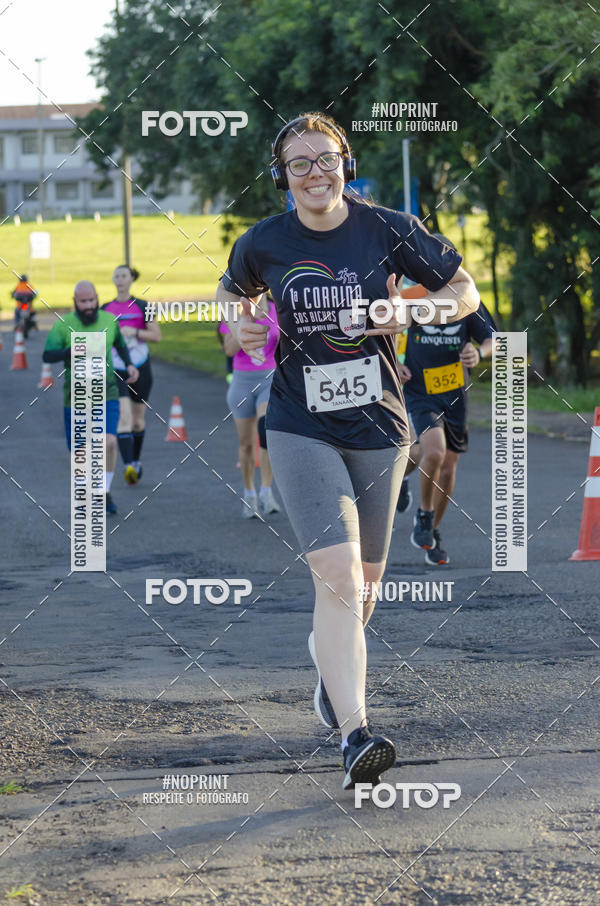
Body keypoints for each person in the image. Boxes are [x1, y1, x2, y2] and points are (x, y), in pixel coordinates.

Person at [216, 112, 480, 789]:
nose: (314, 173)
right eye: (299, 163)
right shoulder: (263, 242)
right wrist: (241, 329)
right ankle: (355, 735)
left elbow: (464, 292)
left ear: (346, 162)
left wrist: (411, 312)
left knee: (361, 594)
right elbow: (232, 297)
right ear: (281, 175)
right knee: (335, 576)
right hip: (300, 423)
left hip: (380, 427)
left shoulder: (388, 229)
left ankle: (328, 668)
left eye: (325, 159)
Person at [396, 240, 496, 565]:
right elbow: (384, 331)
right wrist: (395, 363)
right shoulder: (412, 296)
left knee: (448, 466)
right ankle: (423, 516)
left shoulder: (467, 296)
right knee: (433, 451)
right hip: (419, 390)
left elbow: (493, 339)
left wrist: (479, 352)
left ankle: (433, 529)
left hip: (455, 392)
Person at [42, 280, 139, 514]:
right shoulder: (64, 325)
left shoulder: (108, 320)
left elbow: (119, 343)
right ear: (74, 302)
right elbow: (47, 355)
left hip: (107, 392)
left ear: (97, 298)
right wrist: (69, 351)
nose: (88, 305)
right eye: (83, 301)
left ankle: (103, 492)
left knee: (110, 441)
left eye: (91, 300)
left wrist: (129, 364)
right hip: (75, 397)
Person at [219, 294, 281, 517]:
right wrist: (247, 321)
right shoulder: (233, 312)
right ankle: (249, 494)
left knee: (266, 432)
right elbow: (229, 349)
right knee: (246, 444)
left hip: (270, 380)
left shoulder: (276, 309)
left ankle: (267, 491)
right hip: (242, 382)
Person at [102, 265, 161, 484]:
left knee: (137, 421)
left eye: (123, 275)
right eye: (116, 275)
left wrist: (134, 331)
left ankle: (135, 459)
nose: (119, 279)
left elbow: (156, 336)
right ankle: (128, 467)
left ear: (131, 279)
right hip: (115, 368)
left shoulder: (143, 306)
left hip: (141, 366)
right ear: (113, 279)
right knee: (123, 418)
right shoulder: (105, 308)